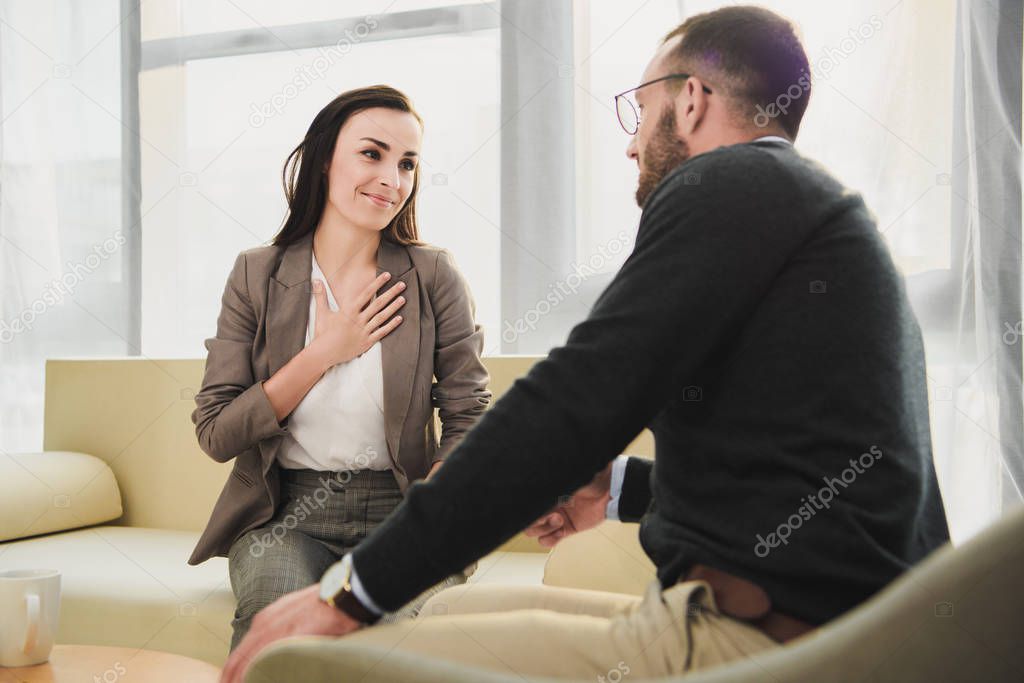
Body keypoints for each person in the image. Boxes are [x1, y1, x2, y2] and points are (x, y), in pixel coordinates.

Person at [221, 7, 950, 682]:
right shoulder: (806, 209)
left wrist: (352, 591)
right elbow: (795, 481)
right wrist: (617, 489)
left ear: (690, 99)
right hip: (835, 623)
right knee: (440, 615)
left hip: (778, 642)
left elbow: (574, 398)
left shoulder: (730, 184)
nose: (632, 141)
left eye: (640, 108)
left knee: (310, 661)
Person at [188, 85, 490, 651]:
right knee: (276, 635)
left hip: (403, 512)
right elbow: (216, 432)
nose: (392, 178)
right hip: (285, 517)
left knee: (391, 646)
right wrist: (323, 352)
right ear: (325, 158)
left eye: (407, 163)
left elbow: (468, 413)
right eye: (372, 154)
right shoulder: (256, 275)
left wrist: (431, 514)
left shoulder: (434, 276)